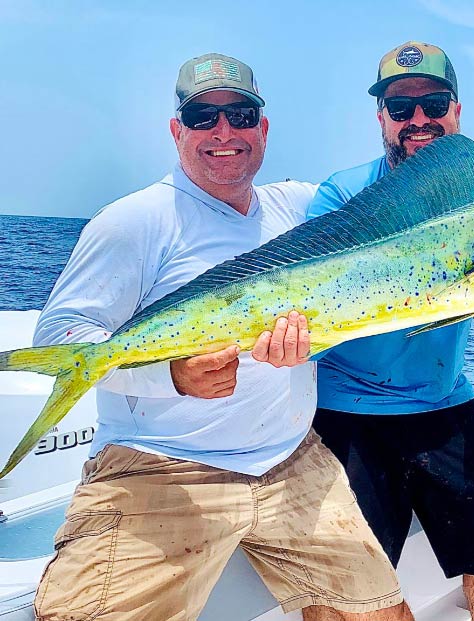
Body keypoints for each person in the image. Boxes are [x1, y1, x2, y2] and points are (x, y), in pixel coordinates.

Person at [32, 52, 412, 621]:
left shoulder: (302, 207)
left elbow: (392, 201)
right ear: (176, 131)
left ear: (262, 128)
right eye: (203, 118)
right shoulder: (134, 221)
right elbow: (66, 336)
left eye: (239, 114)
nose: (224, 132)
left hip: (291, 461)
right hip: (162, 466)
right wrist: (171, 376)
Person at [304, 41, 474, 621]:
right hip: (347, 409)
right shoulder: (343, 192)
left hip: (443, 399)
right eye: (401, 109)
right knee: (340, 579)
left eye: (434, 103)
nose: (418, 120)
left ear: (457, 110)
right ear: (382, 119)